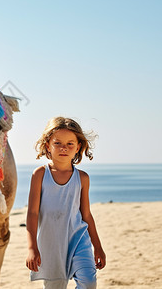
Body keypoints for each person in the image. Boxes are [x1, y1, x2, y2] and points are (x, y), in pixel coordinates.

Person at [26, 117, 106, 289]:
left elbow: (86, 215)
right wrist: (32, 247)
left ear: (78, 147)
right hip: (51, 243)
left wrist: (97, 247)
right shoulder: (39, 175)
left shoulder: (82, 178)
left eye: (70, 144)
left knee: (89, 283)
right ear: (48, 145)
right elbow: (32, 213)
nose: (64, 148)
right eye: (58, 143)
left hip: (79, 240)